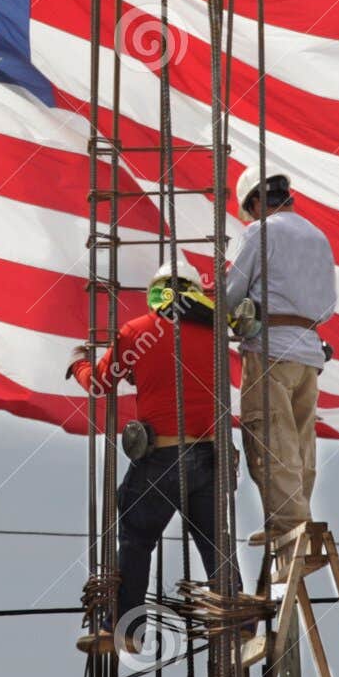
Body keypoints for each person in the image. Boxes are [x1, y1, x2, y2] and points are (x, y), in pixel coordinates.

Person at [68, 262, 223, 654]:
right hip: (207, 456)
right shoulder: (215, 334)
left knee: (135, 537)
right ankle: (238, 622)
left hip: (161, 457)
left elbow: (101, 384)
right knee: (213, 544)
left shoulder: (136, 331)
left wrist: (80, 363)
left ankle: (124, 630)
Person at [224, 170, 337, 546]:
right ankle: (298, 514)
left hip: (271, 348)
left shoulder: (260, 233)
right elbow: (328, 305)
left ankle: (290, 527)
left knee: (269, 437)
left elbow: (230, 293)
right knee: (301, 443)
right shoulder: (317, 237)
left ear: (256, 203)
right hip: (308, 353)